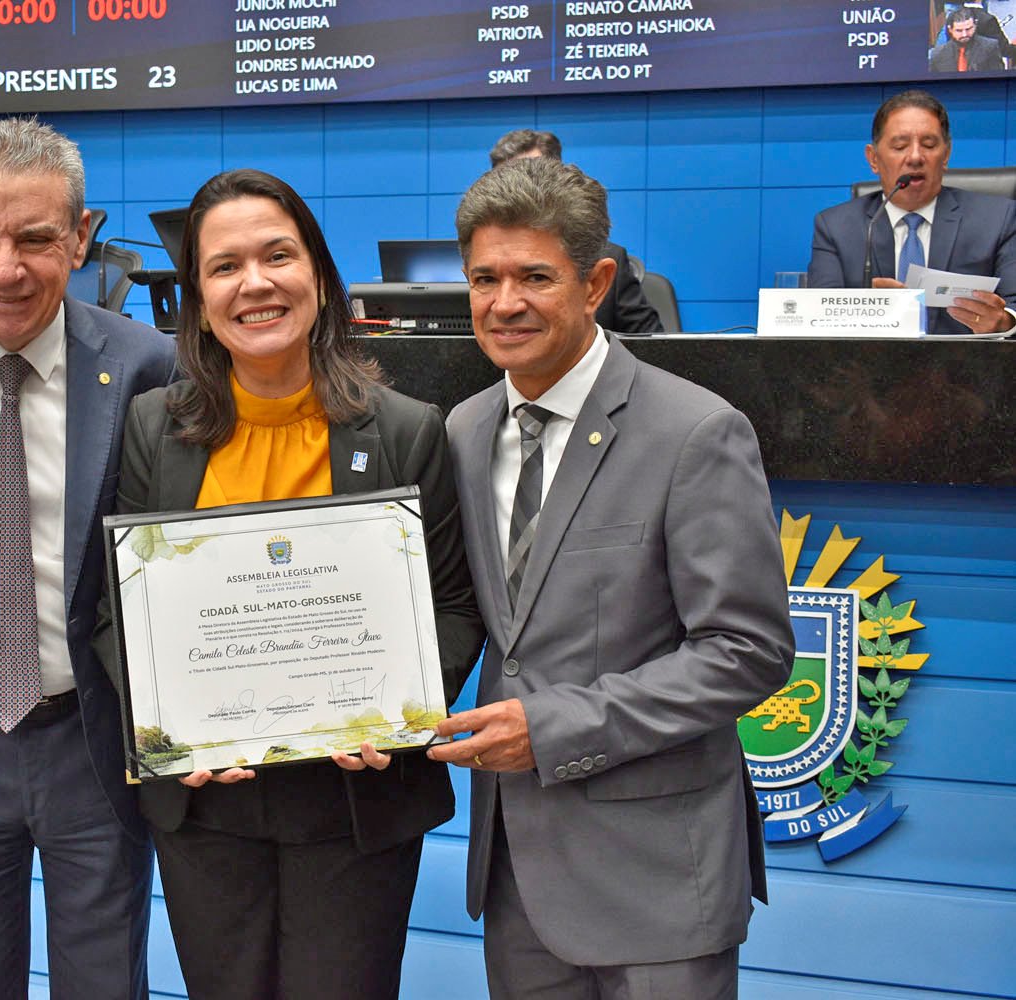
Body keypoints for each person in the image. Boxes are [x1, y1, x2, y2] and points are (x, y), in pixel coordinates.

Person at [100, 168, 486, 1000]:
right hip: (206, 806)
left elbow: (455, 606)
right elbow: (117, 611)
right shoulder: (152, 428)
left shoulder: (406, 431)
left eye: (277, 255)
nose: (255, 283)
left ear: (316, 271)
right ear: (199, 296)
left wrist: (399, 710)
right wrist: (161, 725)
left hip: (354, 800)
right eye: (224, 266)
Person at [432, 156, 793, 998]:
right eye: (484, 279)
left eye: (534, 277)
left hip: (657, 879)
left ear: (594, 283)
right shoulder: (463, 429)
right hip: (517, 877)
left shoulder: (696, 430)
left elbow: (746, 651)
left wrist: (554, 727)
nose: (504, 303)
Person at [0, 117, 174, 1000]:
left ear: (81, 237)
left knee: (104, 983)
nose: (3, 268)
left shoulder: (147, 367)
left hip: (94, 740)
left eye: (36, 239)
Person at [807, 90, 1016, 335]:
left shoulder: (998, 219)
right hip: (871, 358)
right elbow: (818, 314)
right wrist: (862, 306)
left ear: (946, 155)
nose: (915, 157)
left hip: (966, 359)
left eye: (929, 145)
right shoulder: (836, 227)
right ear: (873, 159)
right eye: (900, 146)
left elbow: (1013, 304)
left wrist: (1005, 323)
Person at [488, 129, 663, 334]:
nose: (520, 191)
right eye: (506, 181)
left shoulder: (605, 258)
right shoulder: (469, 261)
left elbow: (653, 345)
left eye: (537, 278)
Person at [929, 7, 1005, 71]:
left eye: (968, 29)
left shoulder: (990, 47)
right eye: (959, 31)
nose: (964, 34)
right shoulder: (938, 54)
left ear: (975, 25)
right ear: (950, 30)